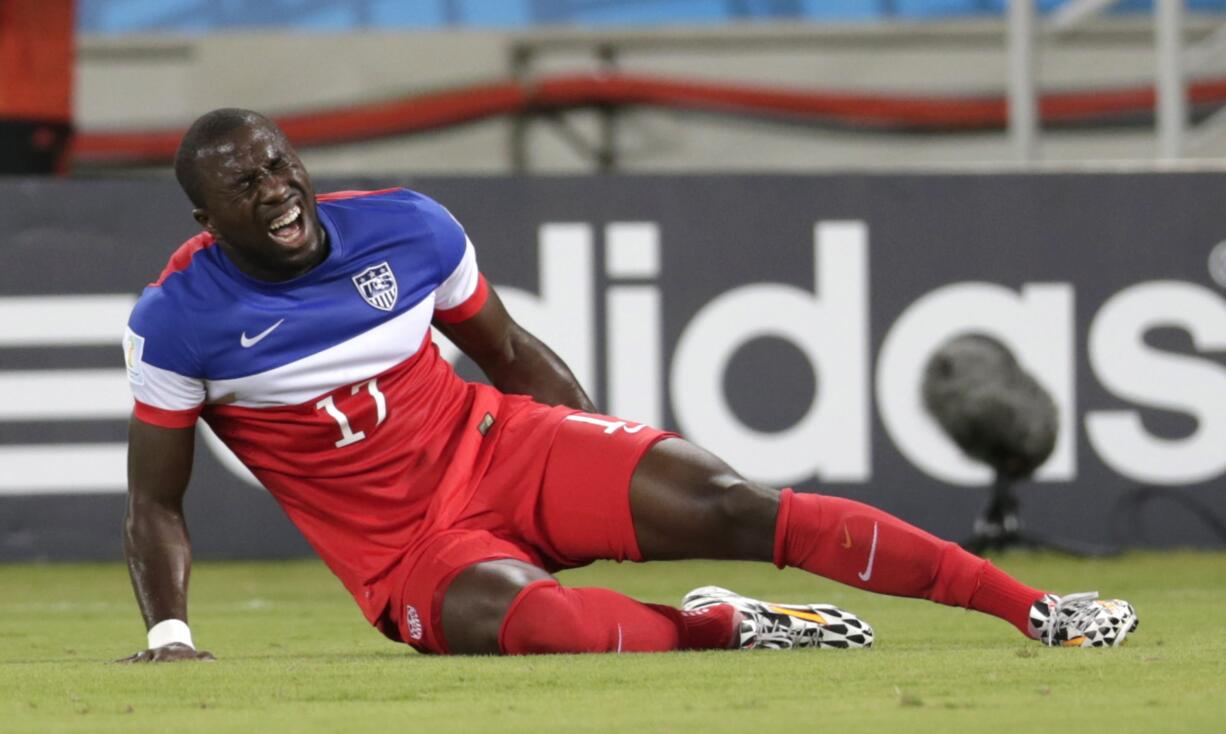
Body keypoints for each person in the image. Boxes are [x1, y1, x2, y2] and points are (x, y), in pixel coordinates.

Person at [118, 109, 1137, 662]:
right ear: (209, 221)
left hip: (502, 446)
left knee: (731, 501)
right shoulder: (178, 317)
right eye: (244, 185)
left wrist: (591, 447)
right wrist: (170, 633)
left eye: (278, 164)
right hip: (408, 549)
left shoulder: (410, 227)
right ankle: (720, 624)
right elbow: (155, 499)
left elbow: (510, 354)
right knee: (540, 626)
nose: (275, 190)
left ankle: (1034, 607)